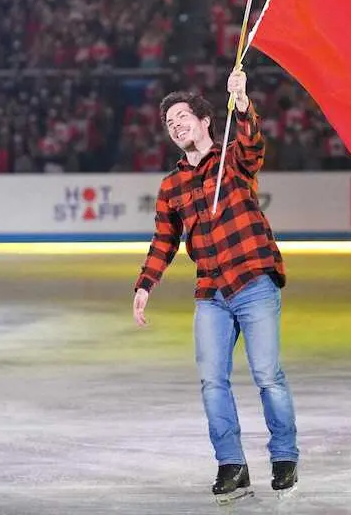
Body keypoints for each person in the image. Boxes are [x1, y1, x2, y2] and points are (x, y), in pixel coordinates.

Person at [131, 68, 299, 502]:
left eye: (183, 116)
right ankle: (232, 465)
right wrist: (145, 284)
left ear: (206, 120)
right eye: (170, 124)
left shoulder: (233, 159)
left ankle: (284, 457)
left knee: (267, 376)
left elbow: (253, 142)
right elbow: (164, 239)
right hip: (211, 292)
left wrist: (241, 101)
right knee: (212, 382)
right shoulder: (172, 185)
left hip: (254, 280)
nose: (176, 125)